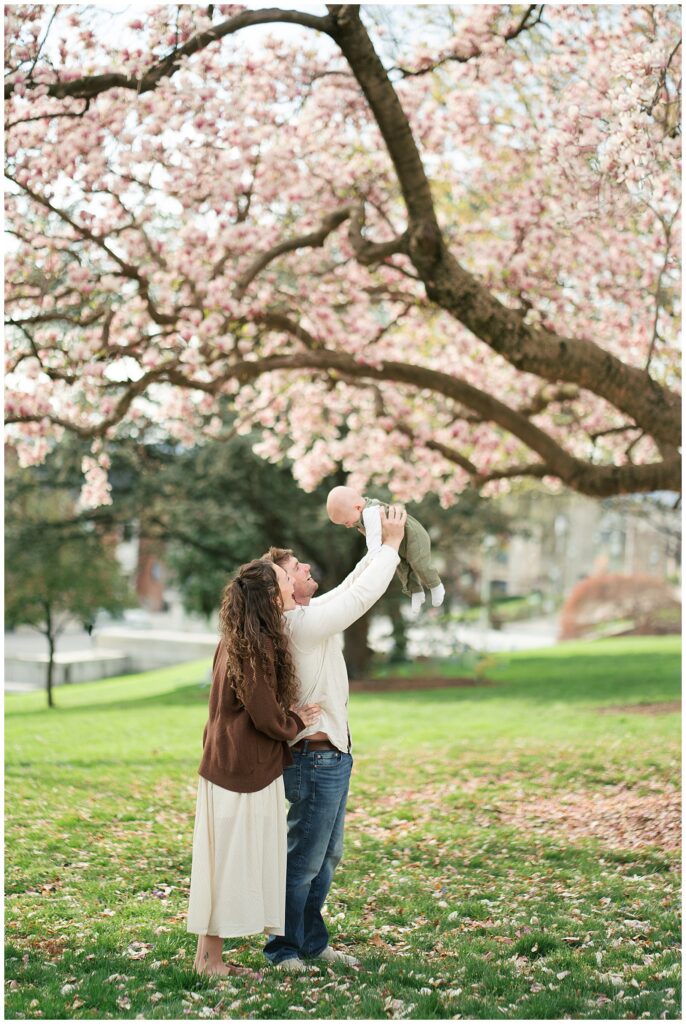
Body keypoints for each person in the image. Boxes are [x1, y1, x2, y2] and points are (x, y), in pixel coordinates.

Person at [262, 504, 407, 971]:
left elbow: (350, 587)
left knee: (326, 858)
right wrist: (393, 548)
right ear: (282, 590)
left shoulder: (308, 614)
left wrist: (375, 536)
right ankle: (283, 948)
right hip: (313, 759)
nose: (305, 569)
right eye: (295, 569)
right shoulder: (297, 625)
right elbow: (359, 598)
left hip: (333, 756)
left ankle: (309, 942)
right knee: (304, 861)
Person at [187, 559, 321, 977]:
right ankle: (209, 963)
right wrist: (295, 721)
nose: (291, 584)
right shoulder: (256, 644)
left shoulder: (236, 637)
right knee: (227, 863)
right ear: (268, 595)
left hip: (225, 763)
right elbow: (265, 716)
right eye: (284, 580)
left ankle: (209, 959)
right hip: (242, 770)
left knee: (221, 861)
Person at [326, 485, 445, 612]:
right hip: (398, 541)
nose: (348, 526)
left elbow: (374, 541)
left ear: (358, 507)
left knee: (419, 563)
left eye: (346, 522)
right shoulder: (363, 513)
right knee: (402, 567)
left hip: (413, 537)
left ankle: (435, 585)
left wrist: (373, 561)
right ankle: (416, 593)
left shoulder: (370, 512)